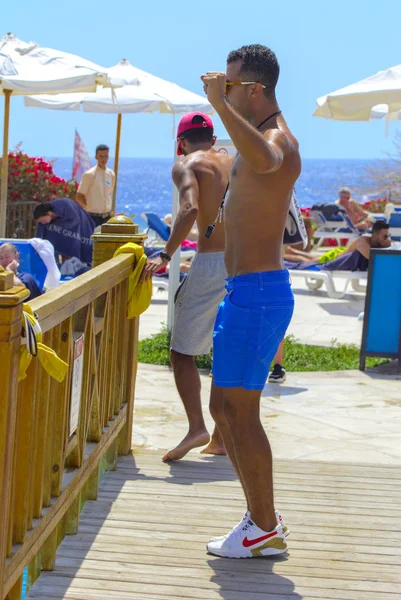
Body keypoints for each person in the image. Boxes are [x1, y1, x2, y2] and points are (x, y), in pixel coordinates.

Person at [201, 44, 299, 559]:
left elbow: (270, 160)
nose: (221, 88)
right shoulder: (255, 137)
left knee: (241, 411)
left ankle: (263, 526)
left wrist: (219, 106)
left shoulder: (277, 139)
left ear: (253, 90)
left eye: (231, 84)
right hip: (243, 291)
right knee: (223, 407)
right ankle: (260, 516)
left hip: (259, 293)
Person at [141, 112, 233, 462]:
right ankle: (222, 439)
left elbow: (190, 208)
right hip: (244, 262)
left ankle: (198, 427)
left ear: (180, 142)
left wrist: (165, 254)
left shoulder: (185, 165)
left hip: (211, 263)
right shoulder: (229, 161)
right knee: (223, 348)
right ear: (212, 138)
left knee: (181, 353)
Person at [34, 198, 95, 265]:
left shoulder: (65, 206)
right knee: (52, 236)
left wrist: (63, 229)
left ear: (48, 213)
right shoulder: (47, 220)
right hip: (63, 226)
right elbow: (40, 235)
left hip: (79, 221)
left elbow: (75, 222)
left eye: (43, 221)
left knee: (70, 244)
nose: (43, 223)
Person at [76, 144, 115, 227]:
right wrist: (89, 207)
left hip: (107, 217)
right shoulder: (89, 175)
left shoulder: (111, 174)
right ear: (96, 157)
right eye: (101, 156)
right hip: (93, 217)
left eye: (105, 156)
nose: (103, 159)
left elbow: (109, 193)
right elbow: (79, 196)